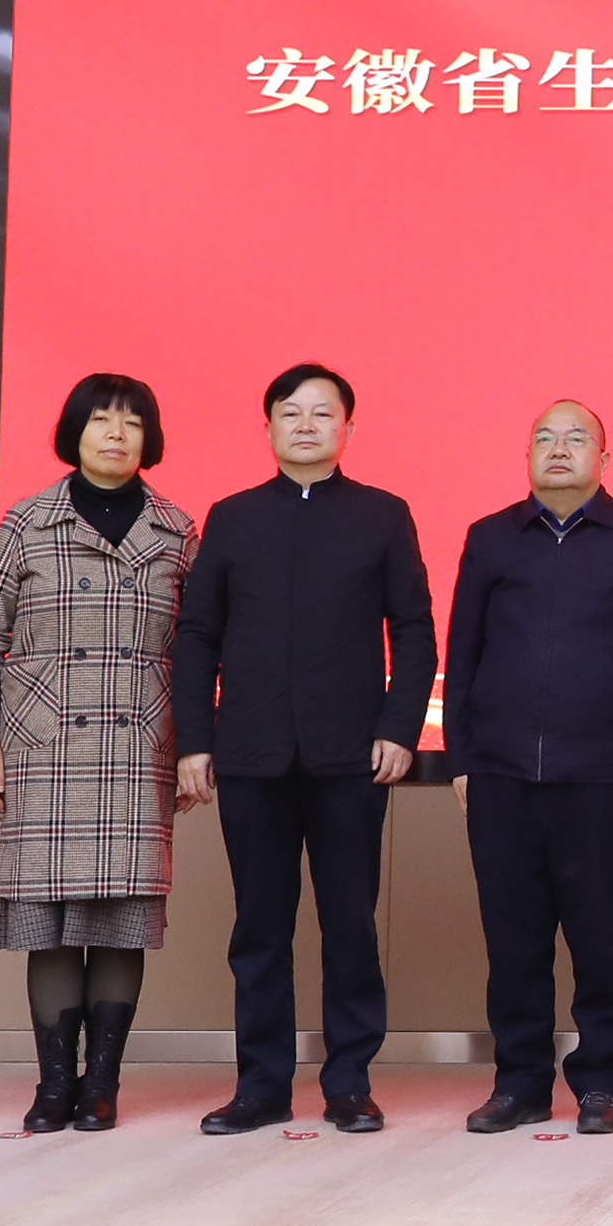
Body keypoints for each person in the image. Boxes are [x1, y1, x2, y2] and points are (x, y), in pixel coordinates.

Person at [170, 362, 437, 1136]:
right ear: (269, 428)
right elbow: (198, 634)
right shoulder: (233, 517)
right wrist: (196, 740)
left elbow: (414, 630)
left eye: (323, 412)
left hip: (351, 757)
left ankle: (349, 1082)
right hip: (251, 753)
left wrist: (399, 728)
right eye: (292, 412)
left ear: (348, 428)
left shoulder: (383, 515)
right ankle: (261, 1086)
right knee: (259, 927)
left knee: (350, 924)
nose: (307, 424)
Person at [431, 401, 613, 1137]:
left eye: (577, 438)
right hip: (501, 774)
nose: (559, 448)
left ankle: (601, 1081)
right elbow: (463, 655)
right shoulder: (490, 538)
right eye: (544, 437)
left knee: (602, 938)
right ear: (527, 456)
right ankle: (520, 1084)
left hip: (604, 772)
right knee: (513, 942)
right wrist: (461, 757)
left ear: (605, 459)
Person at [0, 372, 201, 1134]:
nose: (116, 434)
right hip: (45, 747)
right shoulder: (26, 522)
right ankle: (54, 1085)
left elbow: (200, 649)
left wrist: (196, 743)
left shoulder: (178, 531)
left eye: (132, 422)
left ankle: (102, 1085)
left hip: (137, 749)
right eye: (101, 420)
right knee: (51, 920)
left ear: (149, 438)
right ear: (75, 431)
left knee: (122, 919)